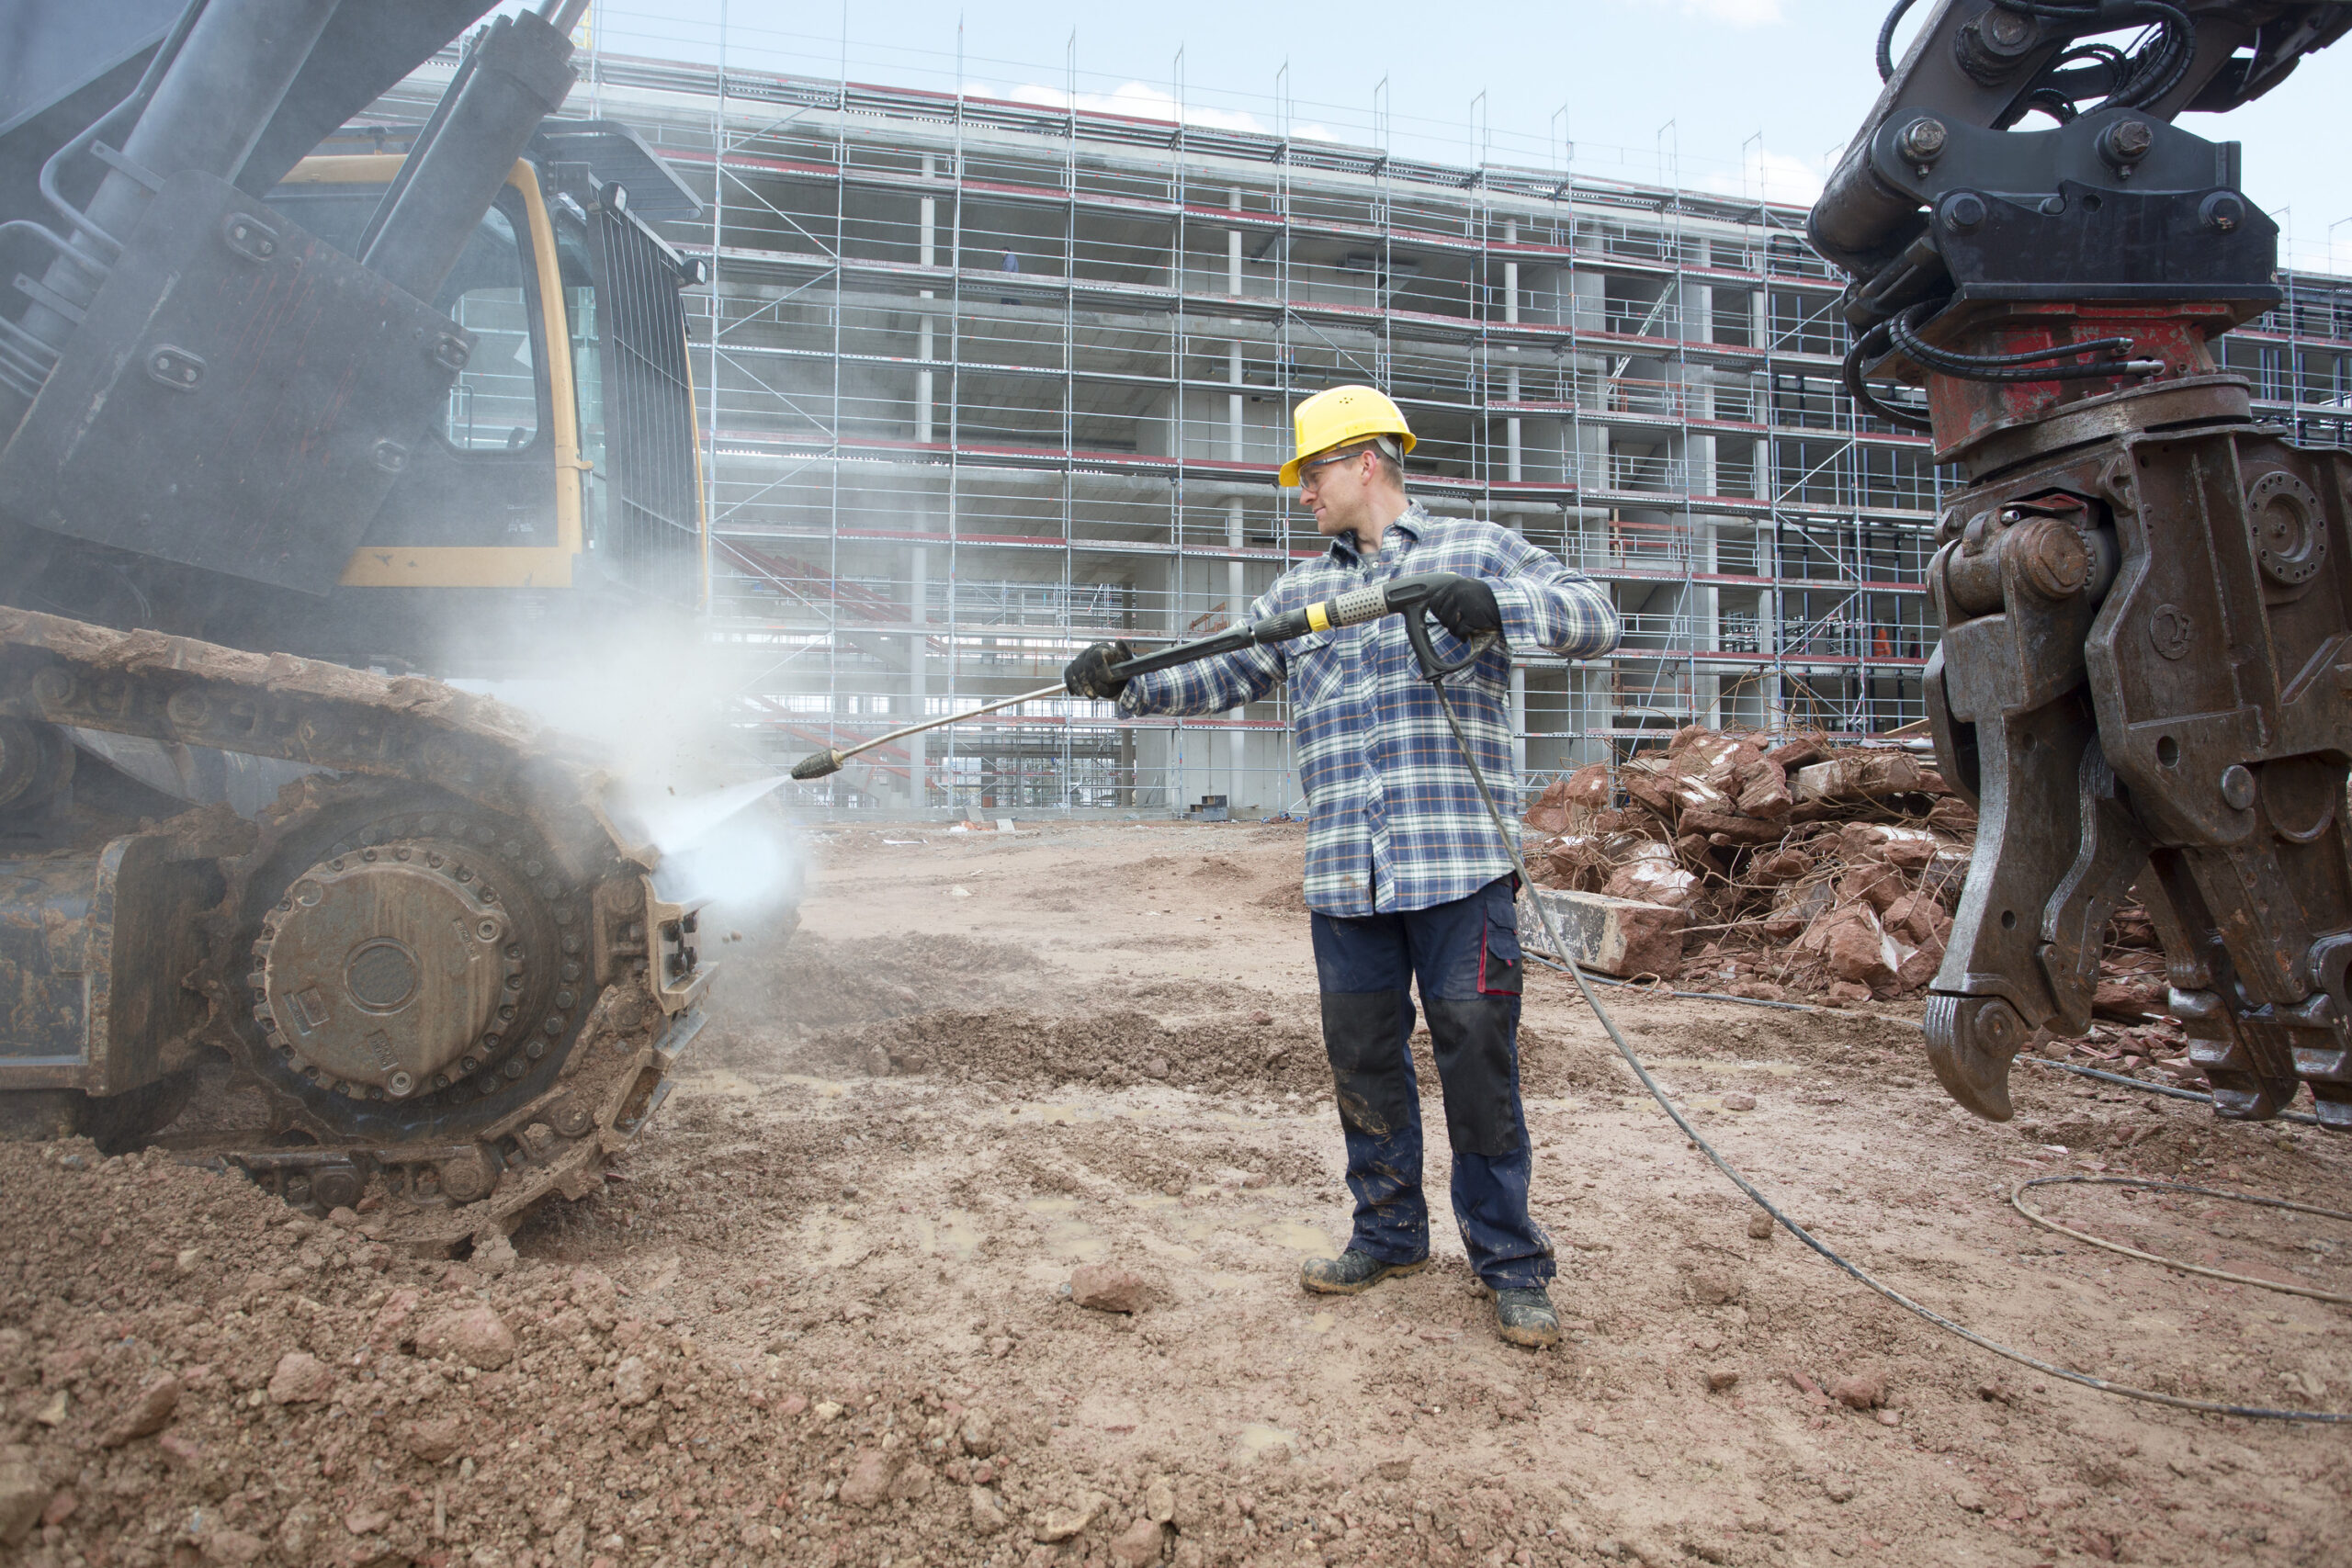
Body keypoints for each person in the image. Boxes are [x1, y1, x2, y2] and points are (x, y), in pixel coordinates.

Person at [1062, 384, 1621, 1348]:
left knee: (1477, 1066)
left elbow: (1594, 615)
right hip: (1346, 881)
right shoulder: (1296, 597)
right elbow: (1221, 669)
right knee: (1362, 1061)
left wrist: (1494, 605)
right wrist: (1126, 675)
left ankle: (1510, 1263)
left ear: (1367, 462)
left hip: (1459, 871)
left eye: (1311, 472)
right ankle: (1389, 1235)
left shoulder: (1476, 549)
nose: (1302, 494)